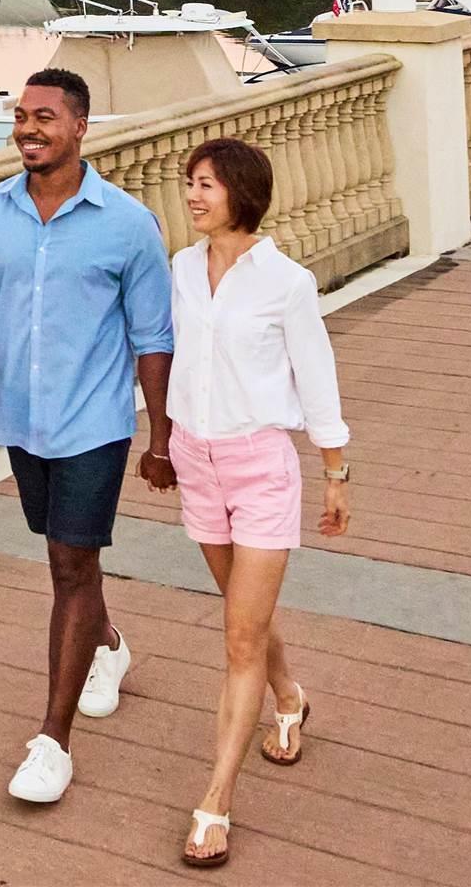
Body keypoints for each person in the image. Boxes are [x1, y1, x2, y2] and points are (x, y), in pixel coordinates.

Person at [0, 66, 174, 807]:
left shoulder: (128, 223)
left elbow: (152, 337)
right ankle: (106, 644)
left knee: (72, 564)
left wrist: (160, 437)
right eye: (21, 116)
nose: (28, 128)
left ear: (80, 127)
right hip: (22, 419)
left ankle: (52, 741)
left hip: (96, 422)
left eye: (45, 117)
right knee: (60, 552)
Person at [157, 137, 352, 871]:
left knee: (239, 637)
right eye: (189, 183)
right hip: (195, 460)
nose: (193, 195)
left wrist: (336, 470)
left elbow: (316, 375)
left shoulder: (286, 283)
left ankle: (215, 802)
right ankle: (290, 697)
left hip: (262, 465)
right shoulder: (181, 268)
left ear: (242, 191)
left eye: (206, 184)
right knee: (247, 616)